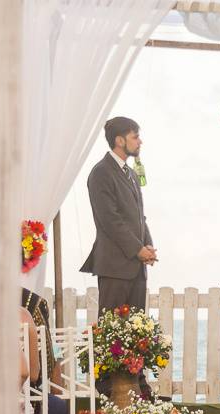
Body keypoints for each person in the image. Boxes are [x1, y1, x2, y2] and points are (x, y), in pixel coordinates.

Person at [80, 116, 156, 315]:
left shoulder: (131, 174)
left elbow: (140, 216)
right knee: (111, 336)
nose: (140, 142)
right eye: (135, 137)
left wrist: (147, 245)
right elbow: (110, 220)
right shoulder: (101, 173)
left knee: (138, 334)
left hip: (137, 269)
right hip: (114, 267)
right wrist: (138, 249)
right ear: (119, 140)